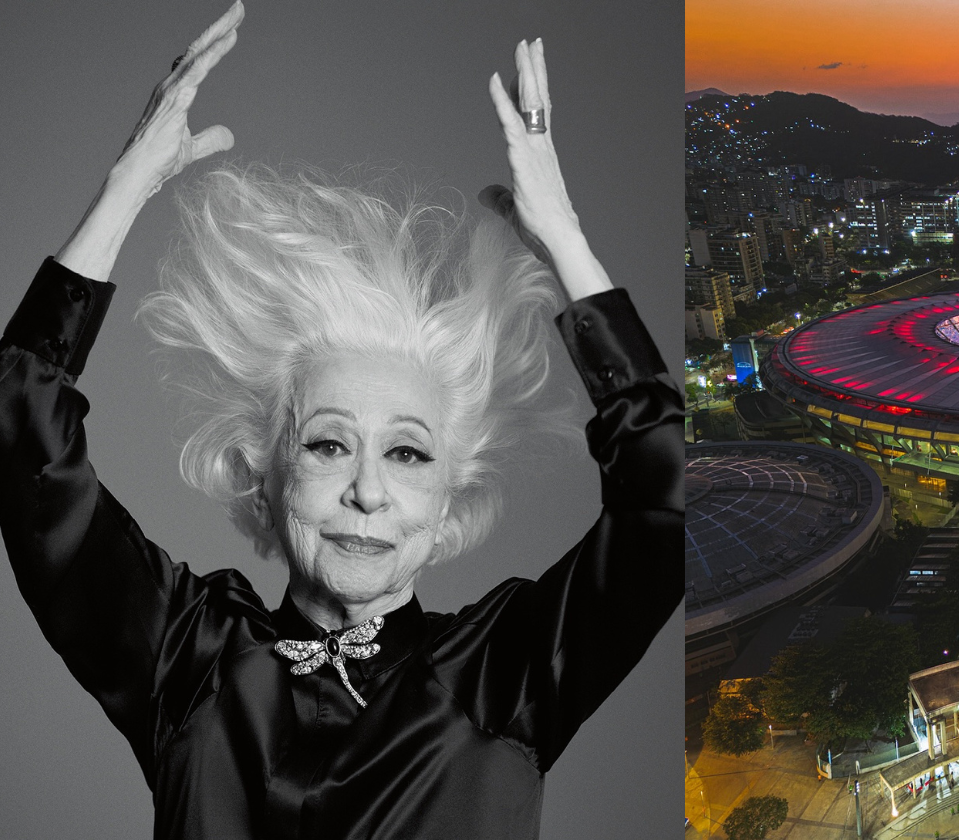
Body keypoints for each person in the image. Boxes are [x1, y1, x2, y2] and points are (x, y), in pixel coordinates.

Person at [0, 4, 679, 838]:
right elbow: (22, 438)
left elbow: (668, 495)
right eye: (328, 443)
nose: (367, 492)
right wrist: (124, 190)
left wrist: (565, 238)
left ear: (448, 495)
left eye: (407, 454)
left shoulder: (507, 671)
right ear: (268, 468)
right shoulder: (187, 658)